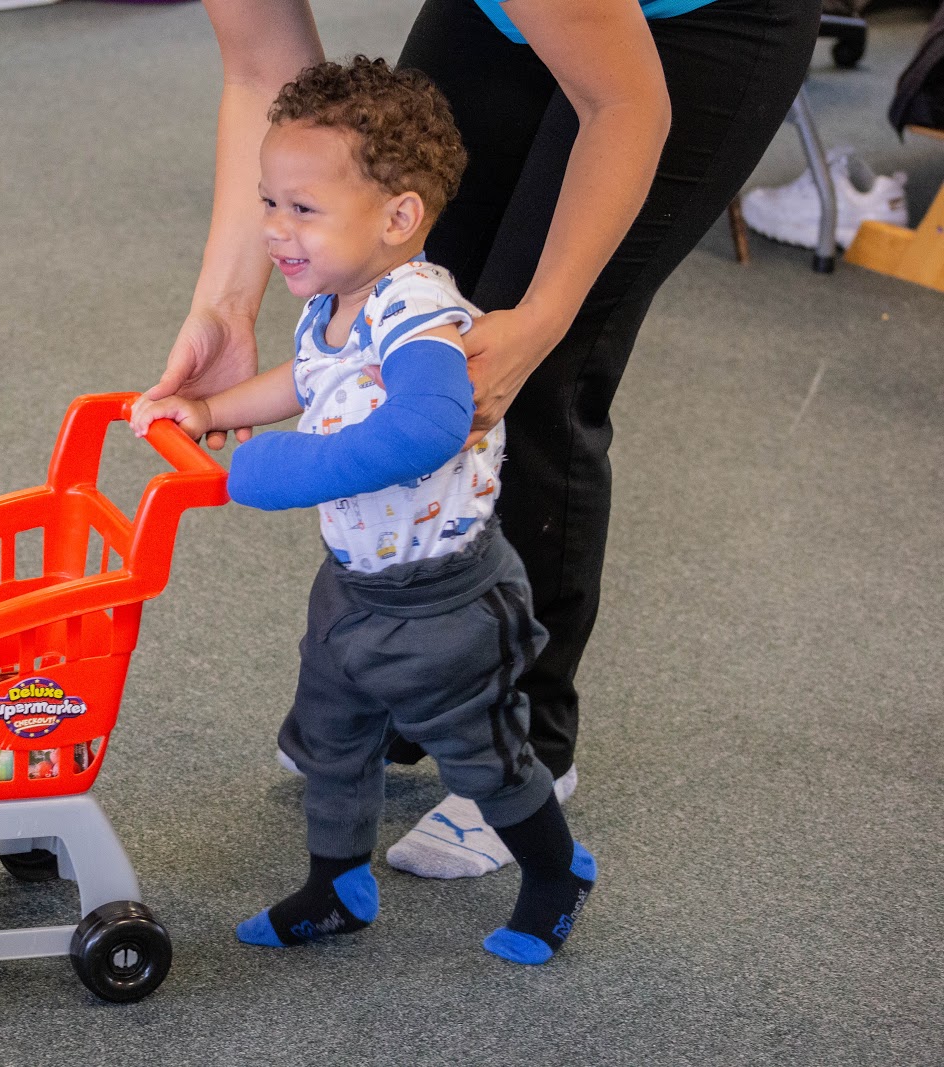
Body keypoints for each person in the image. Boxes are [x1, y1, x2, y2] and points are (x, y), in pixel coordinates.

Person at [150, 0, 820, 878]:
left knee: (516, 375)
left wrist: (540, 320)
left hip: (702, 23)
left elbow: (627, 107)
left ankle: (526, 741)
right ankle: (410, 686)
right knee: (406, 284)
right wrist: (226, 306)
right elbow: (261, 73)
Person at [132, 58, 593, 964]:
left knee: (482, 752)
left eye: (302, 209)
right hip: (353, 584)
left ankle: (554, 871)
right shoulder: (336, 301)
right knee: (334, 738)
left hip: (445, 598)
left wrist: (292, 468)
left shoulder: (416, 311)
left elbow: (429, 424)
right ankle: (337, 882)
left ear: (398, 218)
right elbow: (306, 382)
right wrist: (213, 412)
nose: (274, 230)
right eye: (269, 202)